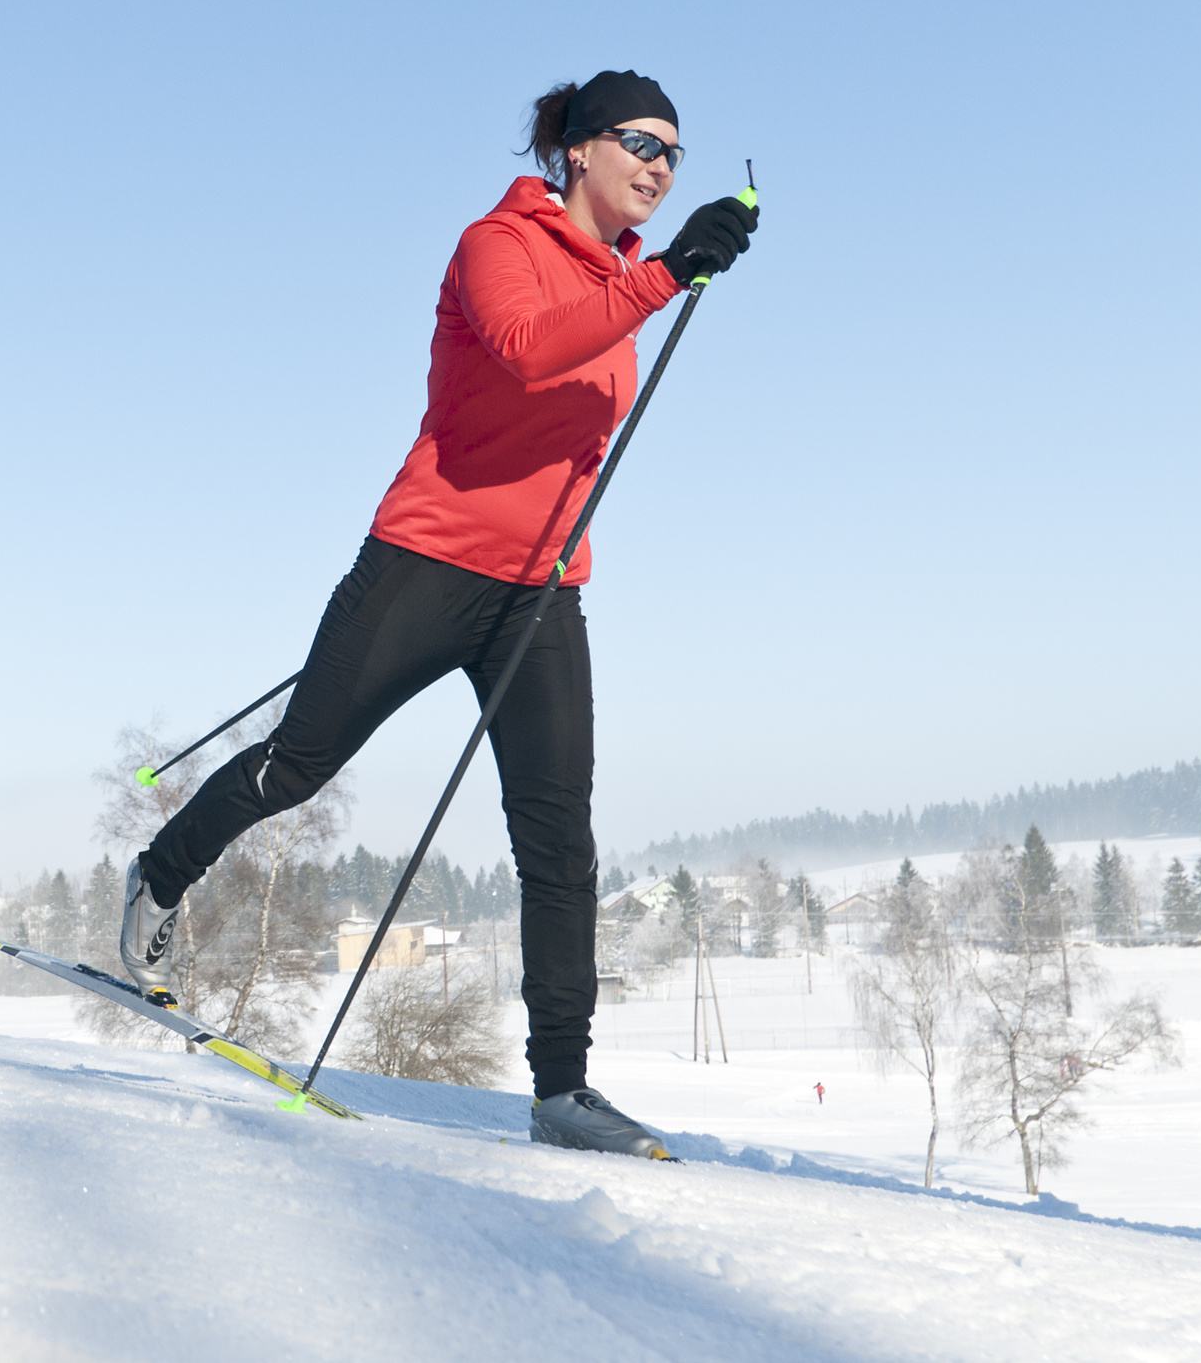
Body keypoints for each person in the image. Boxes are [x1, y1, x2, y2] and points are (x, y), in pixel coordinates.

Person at [119, 70, 755, 1155]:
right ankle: (158, 876)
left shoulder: (622, 278)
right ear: (581, 149)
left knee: (560, 836)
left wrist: (660, 274)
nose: (658, 165)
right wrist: (667, 278)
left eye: (674, 154)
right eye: (641, 142)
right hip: (428, 557)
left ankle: (562, 1087)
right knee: (299, 765)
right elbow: (524, 349)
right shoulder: (495, 243)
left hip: (545, 587)